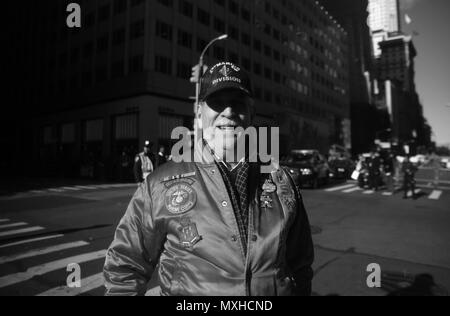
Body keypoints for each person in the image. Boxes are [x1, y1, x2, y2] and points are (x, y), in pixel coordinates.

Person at [104, 61, 314, 296]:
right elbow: (124, 268)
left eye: (237, 102)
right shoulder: (159, 184)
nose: (229, 112)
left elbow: (300, 266)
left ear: (251, 113)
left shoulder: (282, 181)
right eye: (217, 103)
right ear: (199, 112)